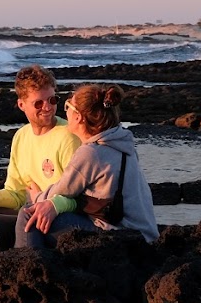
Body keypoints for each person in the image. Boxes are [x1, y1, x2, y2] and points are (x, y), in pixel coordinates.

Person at [0, 65, 80, 303]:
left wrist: (43, 200)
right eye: (38, 103)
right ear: (21, 104)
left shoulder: (67, 136)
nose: (48, 107)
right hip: (27, 208)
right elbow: (14, 194)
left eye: (52, 99)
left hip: (54, 216)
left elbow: (76, 195)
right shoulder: (21, 137)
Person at [16, 83, 158, 248]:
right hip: (144, 235)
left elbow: (59, 191)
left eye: (68, 105)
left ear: (78, 117)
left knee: (30, 213)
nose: (65, 111)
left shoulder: (91, 153)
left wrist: (36, 196)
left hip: (119, 238)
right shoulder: (121, 142)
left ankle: (28, 269)